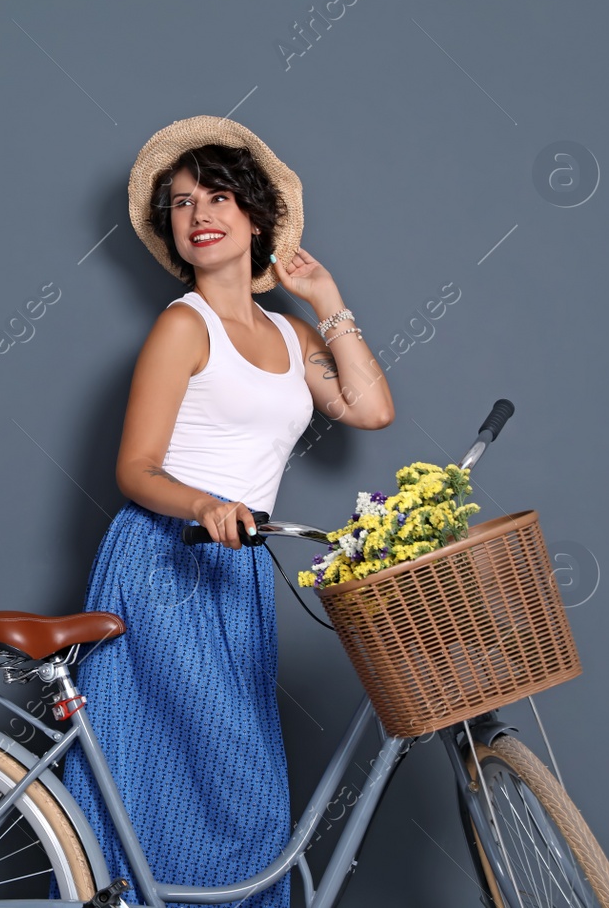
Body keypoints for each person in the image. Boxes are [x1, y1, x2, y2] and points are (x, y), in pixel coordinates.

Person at [59, 117, 395, 908]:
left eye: (217, 196)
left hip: (237, 573)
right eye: (181, 203)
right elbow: (135, 468)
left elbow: (371, 407)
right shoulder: (184, 325)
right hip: (165, 560)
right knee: (182, 779)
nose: (199, 213)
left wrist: (328, 296)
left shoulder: (289, 331)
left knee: (236, 787)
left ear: (255, 216)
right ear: (173, 231)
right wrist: (208, 501)